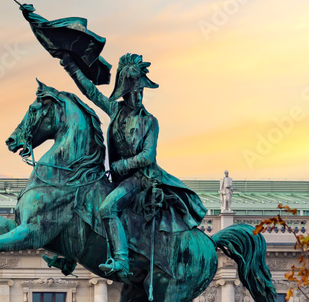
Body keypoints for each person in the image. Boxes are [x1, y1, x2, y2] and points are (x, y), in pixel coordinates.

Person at [60, 53, 206, 281]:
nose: (138, 96)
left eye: (141, 92)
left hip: (142, 178)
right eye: (134, 92)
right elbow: (91, 92)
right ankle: (68, 253)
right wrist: (70, 66)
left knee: (107, 208)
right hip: (119, 178)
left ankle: (121, 259)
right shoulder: (115, 110)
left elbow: (148, 156)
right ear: (124, 93)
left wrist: (121, 165)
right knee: (81, 199)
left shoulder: (150, 121)